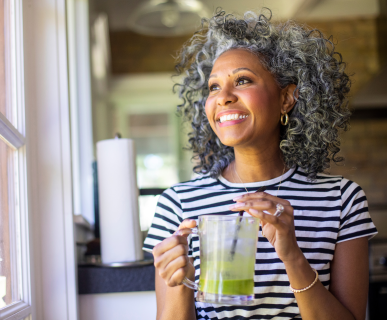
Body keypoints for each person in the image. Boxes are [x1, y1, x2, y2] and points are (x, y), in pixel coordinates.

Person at [143, 8, 377, 320]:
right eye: (213, 86)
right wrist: (180, 283)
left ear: (286, 98)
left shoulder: (342, 200)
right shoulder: (177, 204)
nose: (223, 97)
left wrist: (292, 255)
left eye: (242, 80)